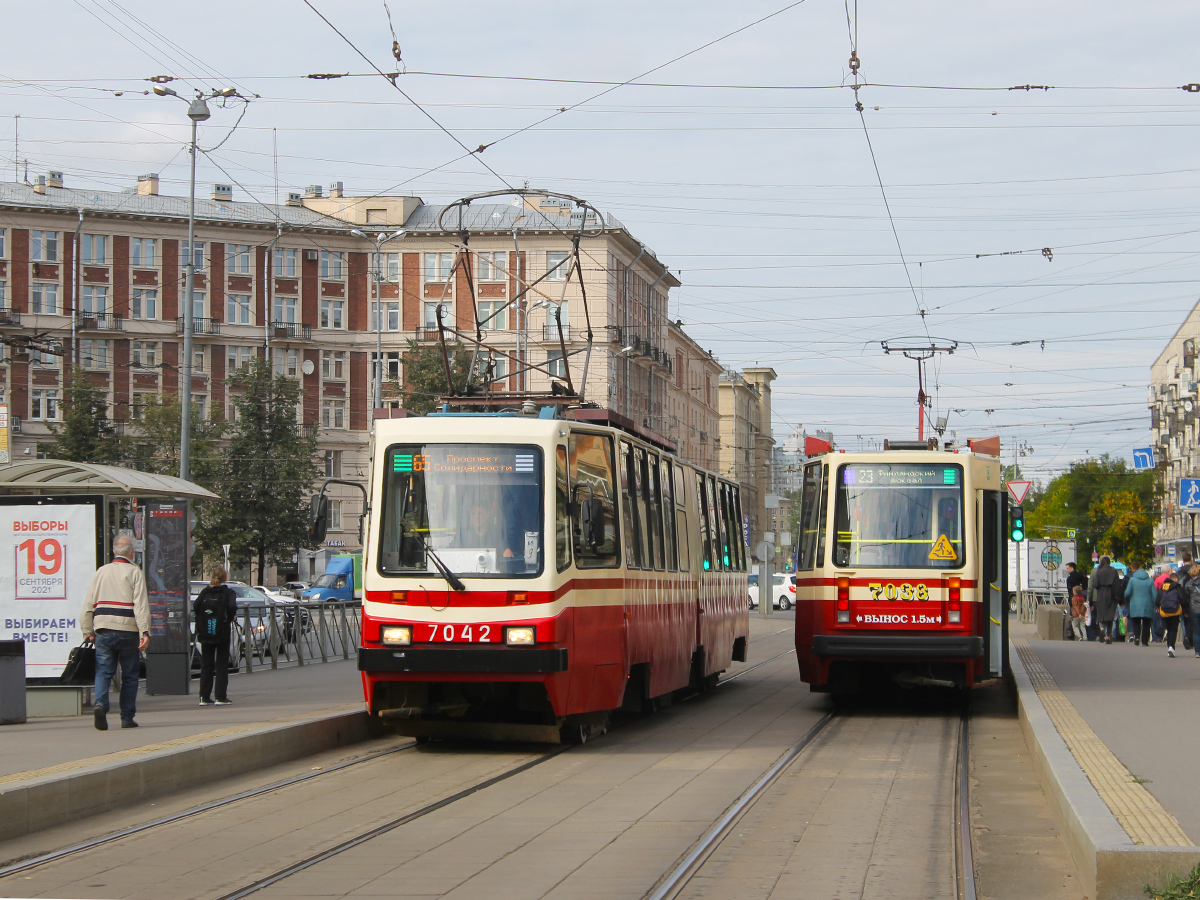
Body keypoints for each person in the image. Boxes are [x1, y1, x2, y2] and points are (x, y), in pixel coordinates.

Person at [81, 534, 150, 730]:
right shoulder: (135, 572)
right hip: (128, 630)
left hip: (103, 628)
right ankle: (127, 717)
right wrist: (144, 632)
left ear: (114, 551)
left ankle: (100, 704)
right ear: (132, 552)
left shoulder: (101, 572)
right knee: (129, 674)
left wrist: (87, 629)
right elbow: (141, 605)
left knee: (103, 671)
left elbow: (88, 604)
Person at [193, 568, 238, 706]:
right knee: (221, 663)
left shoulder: (205, 592)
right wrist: (231, 617)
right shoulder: (228, 592)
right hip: (221, 631)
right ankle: (220, 697)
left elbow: (196, 606)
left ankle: (204, 697)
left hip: (205, 631)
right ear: (225, 578)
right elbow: (232, 606)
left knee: (206, 664)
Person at [1126, 560, 1156, 647]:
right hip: (1148, 604)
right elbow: (1154, 594)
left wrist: (1127, 599)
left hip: (1135, 604)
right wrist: (1156, 605)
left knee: (1136, 622)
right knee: (1146, 623)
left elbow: (1127, 593)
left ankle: (1137, 637)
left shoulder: (1132, 580)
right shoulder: (1150, 581)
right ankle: (1145, 641)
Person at [1090, 556, 1119, 644]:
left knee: (1101, 614)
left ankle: (1102, 629)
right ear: (1109, 562)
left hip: (1101, 594)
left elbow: (1095, 584)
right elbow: (1117, 584)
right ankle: (1108, 636)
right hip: (1111, 594)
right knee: (1110, 616)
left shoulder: (1099, 571)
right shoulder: (1114, 571)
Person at [1157, 570, 1186, 658]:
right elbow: (1183, 599)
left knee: (1168, 629)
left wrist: (1160, 607)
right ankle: (1171, 647)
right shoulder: (1178, 587)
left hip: (1164, 611)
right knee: (1173, 629)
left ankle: (1169, 646)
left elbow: (1157, 600)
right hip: (1175, 611)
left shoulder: (1163, 587)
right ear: (1176, 579)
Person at [1187, 564, 1200, 659]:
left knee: (1196, 631)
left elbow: (1186, 598)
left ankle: (1197, 652)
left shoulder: (1189, 584)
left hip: (1193, 609)